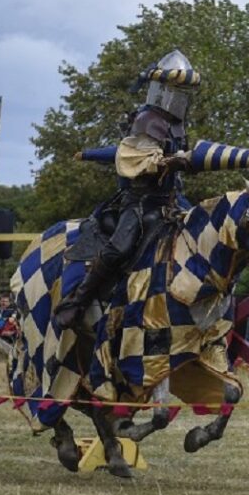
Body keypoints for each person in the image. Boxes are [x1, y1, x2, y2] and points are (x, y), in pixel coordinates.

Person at [54, 49, 201, 330]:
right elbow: (131, 158)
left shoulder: (177, 124)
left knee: (202, 233)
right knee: (119, 248)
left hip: (171, 199)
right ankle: (78, 302)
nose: (177, 98)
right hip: (139, 201)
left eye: (182, 92)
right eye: (173, 91)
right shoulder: (147, 120)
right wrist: (89, 154)